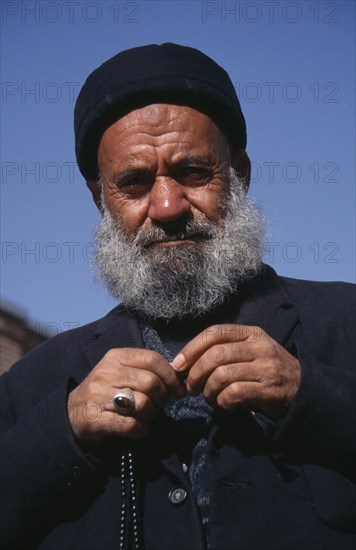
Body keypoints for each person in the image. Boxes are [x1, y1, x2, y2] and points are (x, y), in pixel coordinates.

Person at [1, 43, 355, 550]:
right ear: (100, 198)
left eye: (192, 173)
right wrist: (67, 427)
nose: (167, 207)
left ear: (240, 176)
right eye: (135, 183)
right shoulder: (33, 388)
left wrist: (311, 394)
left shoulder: (345, 325)